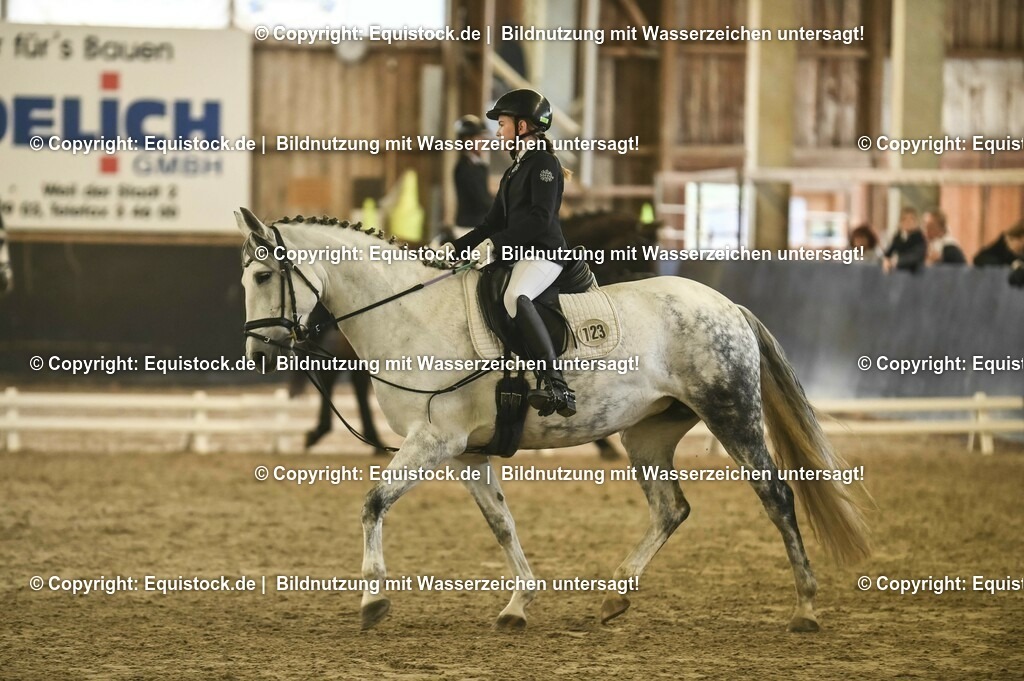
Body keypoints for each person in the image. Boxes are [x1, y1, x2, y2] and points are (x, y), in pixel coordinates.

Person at [448, 88, 576, 418]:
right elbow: (491, 222)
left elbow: (539, 219)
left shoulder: (544, 164)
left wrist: (495, 245)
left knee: (515, 296)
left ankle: (556, 384)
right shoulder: (513, 171)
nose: (498, 132)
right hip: (519, 254)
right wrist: (455, 247)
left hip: (544, 254)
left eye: (503, 124)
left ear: (522, 127)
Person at [453, 115, 493, 229]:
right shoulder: (464, 168)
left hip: (478, 224)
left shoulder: (480, 166)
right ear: (467, 140)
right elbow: (481, 199)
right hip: (468, 227)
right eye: (479, 137)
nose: (484, 141)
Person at [883, 207, 927, 273]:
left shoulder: (920, 238)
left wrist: (896, 261)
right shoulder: (898, 237)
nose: (908, 222)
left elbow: (915, 256)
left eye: (911, 219)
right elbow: (888, 253)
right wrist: (886, 261)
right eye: (904, 219)